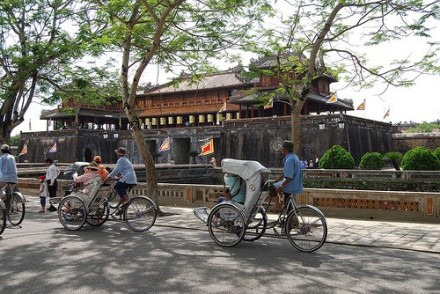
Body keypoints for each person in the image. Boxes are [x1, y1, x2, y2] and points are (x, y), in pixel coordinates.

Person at [270, 140, 303, 212]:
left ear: (285, 149)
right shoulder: (294, 157)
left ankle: (278, 207)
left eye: (282, 148)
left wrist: (281, 186)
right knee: (287, 202)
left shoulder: (290, 160)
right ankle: (289, 220)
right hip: (296, 183)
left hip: (291, 184)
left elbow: (289, 177)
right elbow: (288, 171)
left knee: (271, 188)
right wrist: (279, 178)